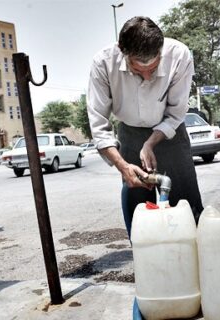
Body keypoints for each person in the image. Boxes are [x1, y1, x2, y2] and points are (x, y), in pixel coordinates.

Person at [87, 16, 203, 238]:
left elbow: (176, 112)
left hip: (170, 133)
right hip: (129, 133)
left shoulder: (179, 55)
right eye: (139, 69)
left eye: (154, 67)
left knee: (188, 208)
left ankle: (192, 260)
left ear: (160, 51)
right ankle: (147, 260)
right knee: (139, 212)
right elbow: (99, 128)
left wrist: (150, 143)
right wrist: (123, 166)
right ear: (124, 52)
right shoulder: (103, 63)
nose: (147, 76)